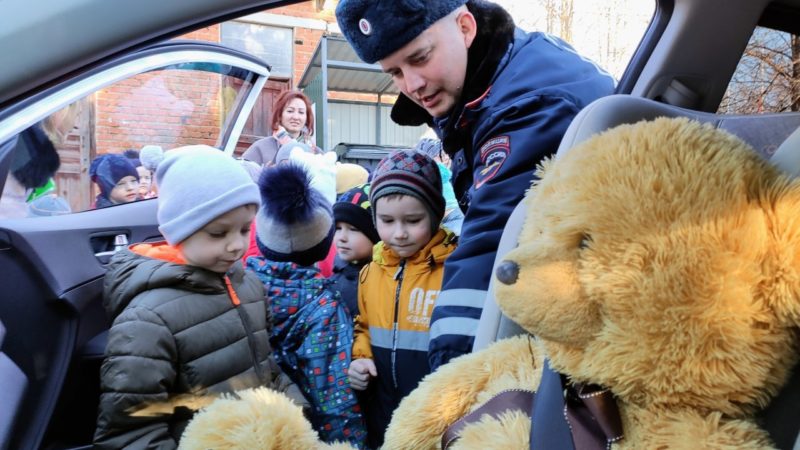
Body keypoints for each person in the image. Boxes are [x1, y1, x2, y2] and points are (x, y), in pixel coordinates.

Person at [336, 0, 616, 370]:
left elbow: (495, 238)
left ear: (466, 27)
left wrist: (452, 379)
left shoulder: (527, 104)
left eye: (420, 58)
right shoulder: (500, 78)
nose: (412, 86)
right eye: (395, 73)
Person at [94, 146, 306, 449]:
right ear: (179, 231)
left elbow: (265, 368)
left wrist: (295, 412)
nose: (236, 246)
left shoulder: (248, 287)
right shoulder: (147, 320)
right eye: (218, 234)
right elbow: (130, 432)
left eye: (245, 229)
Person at [246, 163, 366, 448]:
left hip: (251, 425)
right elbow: (333, 394)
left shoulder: (241, 284)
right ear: (325, 244)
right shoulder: (323, 305)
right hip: (302, 431)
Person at [348, 150, 457, 448]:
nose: (399, 233)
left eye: (412, 220)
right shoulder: (371, 273)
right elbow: (364, 326)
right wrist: (361, 359)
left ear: (434, 215)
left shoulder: (453, 270)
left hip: (436, 414)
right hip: (382, 407)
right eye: (386, 220)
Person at [330, 183, 380, 316]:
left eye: (353, 229)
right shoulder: (337, 272)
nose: (342, 238)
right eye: (338, 228)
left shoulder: (384, 283)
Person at [242, 90, 319, 166]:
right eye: (290, 111)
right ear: (279, 115)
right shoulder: (260, 148)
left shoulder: (316, 153)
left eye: (301, 112)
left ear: (307, 118)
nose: (296, 117)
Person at [415, 138, 465, 235]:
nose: (446, 157)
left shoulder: (438, 171)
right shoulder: (437, 170)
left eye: (445, 154)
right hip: (450, 216)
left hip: (451, 215)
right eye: (440, 155)